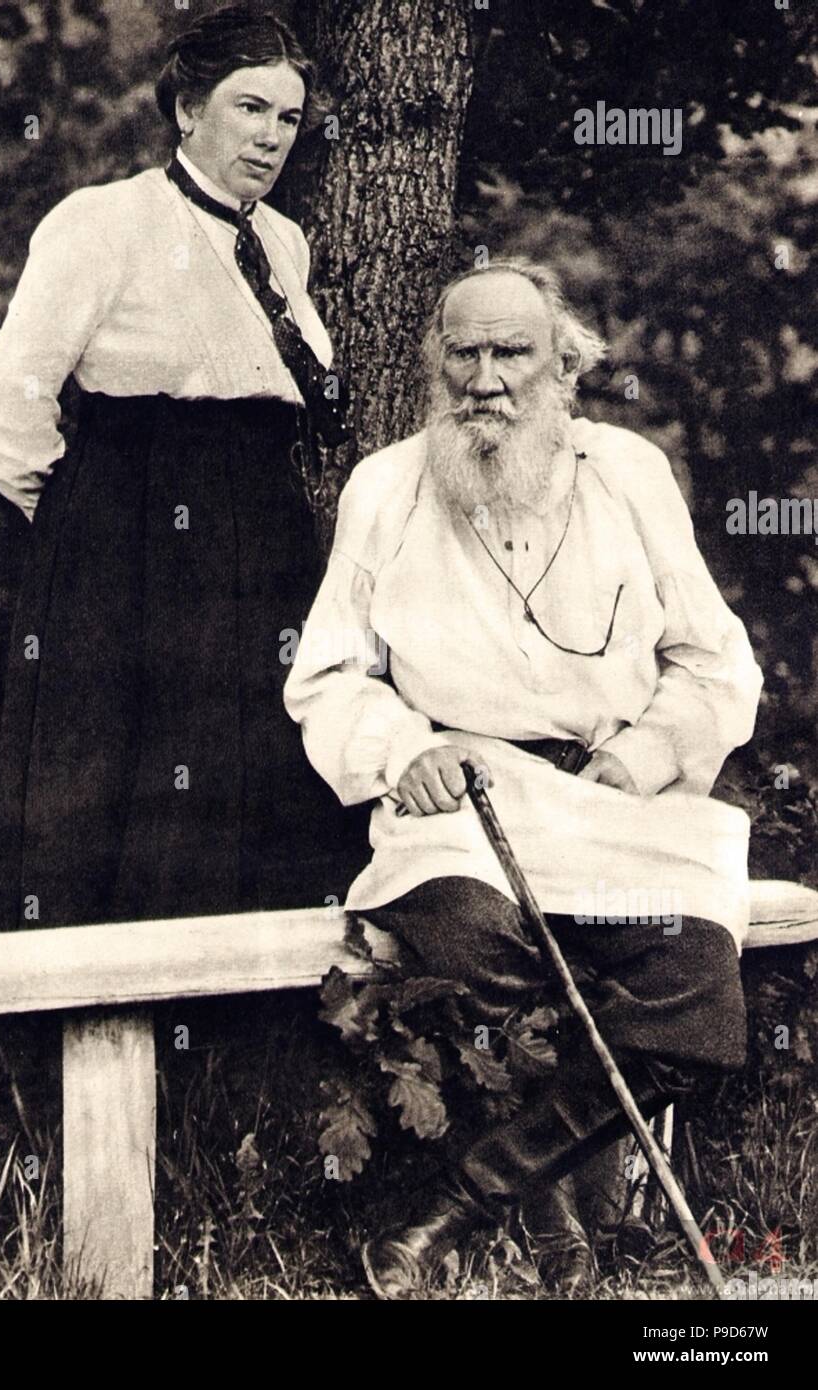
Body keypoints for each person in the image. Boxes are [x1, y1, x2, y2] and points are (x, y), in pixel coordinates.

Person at [284, 258, 764, 1299]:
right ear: (433, 363)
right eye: (465, 352)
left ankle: (457, 1207)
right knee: (478, 949)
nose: (486, 378)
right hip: (459, 811)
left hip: (611, 801)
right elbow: (323, 676)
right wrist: (401, 750)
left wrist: (637, 758)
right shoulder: (386, 486)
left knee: (694, 994)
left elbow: (716, 663)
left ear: (565, 365)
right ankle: (560, 1224)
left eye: (513, 352)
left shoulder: (627, 474)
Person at [0, 6, 362, 933]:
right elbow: (15, 396)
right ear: (189, 110)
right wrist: (85, 529)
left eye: (287, 120)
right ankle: (103, 1030)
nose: (270, 138)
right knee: (131, 766)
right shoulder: (104, 221)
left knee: (261, 748)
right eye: (250, 108)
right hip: (135, 514)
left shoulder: (286, 243)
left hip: (260, 517)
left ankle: (243, 1044)